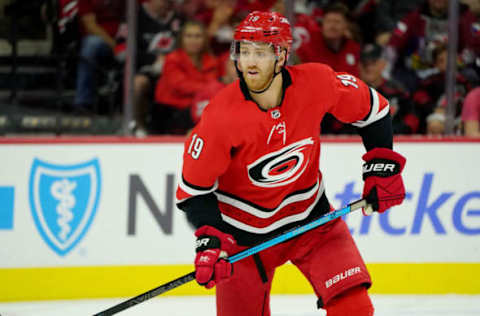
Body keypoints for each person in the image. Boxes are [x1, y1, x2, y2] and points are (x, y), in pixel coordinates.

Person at [176, 11, 406, 316]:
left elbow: (374, 110)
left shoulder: (317, 82)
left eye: (260, 52)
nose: (249, 62)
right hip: (244, 242)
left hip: (313, 223)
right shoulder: (219, 117)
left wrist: (382, 166)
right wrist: (210, 239)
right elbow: (193, 191)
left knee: (354, 309)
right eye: (244, 52)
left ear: (282, 55)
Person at [115, 0, 184, 136]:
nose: (167, 3)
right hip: (141, 71)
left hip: (172, 71)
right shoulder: (134, 17)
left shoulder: (178, 19)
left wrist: (170, 62)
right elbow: (121, 51)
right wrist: (152, 60)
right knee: (138, 83)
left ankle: (174, 129)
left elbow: (187, 49)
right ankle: (136, 126)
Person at [154, 20, 219, 134]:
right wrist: (207, 90)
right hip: (170, 111)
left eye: (198, 36)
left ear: (204, 39)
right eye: (189, 36)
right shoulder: (172, 59)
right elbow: (181, 86)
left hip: (199, 108)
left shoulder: (211, 61)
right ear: (181, 39)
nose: (193, 40)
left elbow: (213, 87)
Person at [74, 0, 124, 111]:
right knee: (91, 45)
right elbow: (90, 25)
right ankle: (84, 101)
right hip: (102, 42)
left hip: (128, 38)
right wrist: (114, 46)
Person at [359, 43, 419, 134]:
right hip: (356, 143)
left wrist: (399, 131)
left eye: (373, 63)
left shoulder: (397, 91)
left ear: (383, 64)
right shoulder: (352, 92)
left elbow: (412, 116)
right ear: (359, 66)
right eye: (365, 64)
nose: (369, 68)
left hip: (395, 141)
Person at [295, 2, 361, 77]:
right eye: (328, 21)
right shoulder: (309, 47)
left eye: (337, 22)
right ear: (322, 24)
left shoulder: (353, 47)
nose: (332, 26)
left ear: (346, 25)